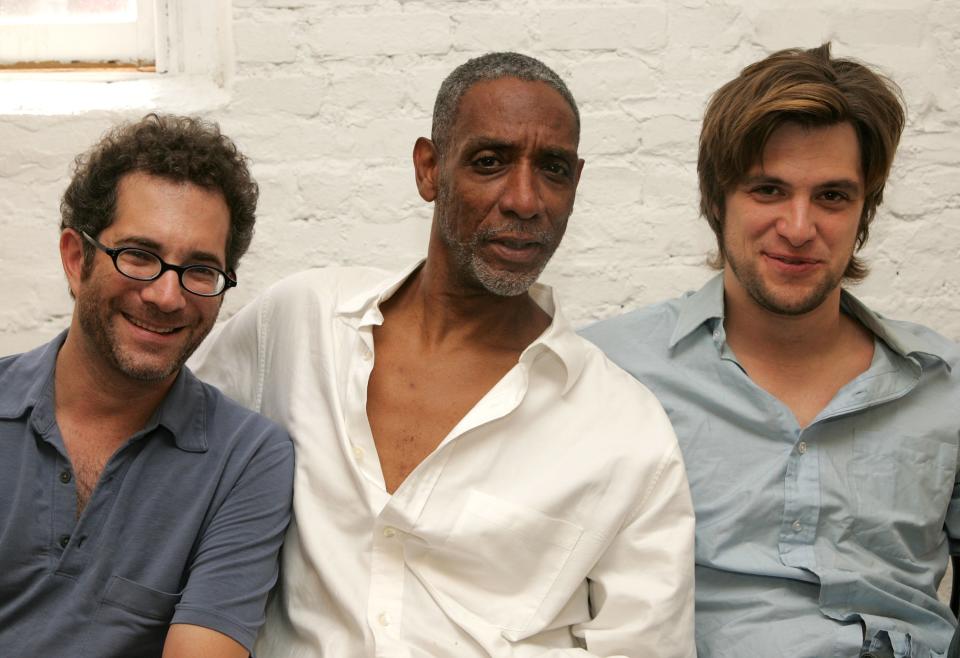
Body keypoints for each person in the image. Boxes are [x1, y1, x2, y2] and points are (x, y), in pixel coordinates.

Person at [191, 52, 695, 657]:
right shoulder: (299, 326)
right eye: (490, 162)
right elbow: (169, 457)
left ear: (576, 185)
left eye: (553, 169)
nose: (525, 199)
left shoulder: (625, 431)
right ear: (429, 170)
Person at [582, 43, 960, 658]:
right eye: (768, 190)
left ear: (865, 211)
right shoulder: (610, 371)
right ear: (715, 199)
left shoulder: (942, 385)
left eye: (833, 197)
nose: (798, 227)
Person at [0, 114, 294, 657]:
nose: (166, 296)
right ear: (75, 258)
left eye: (201, 269)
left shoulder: (246, 460)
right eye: (138, 255)